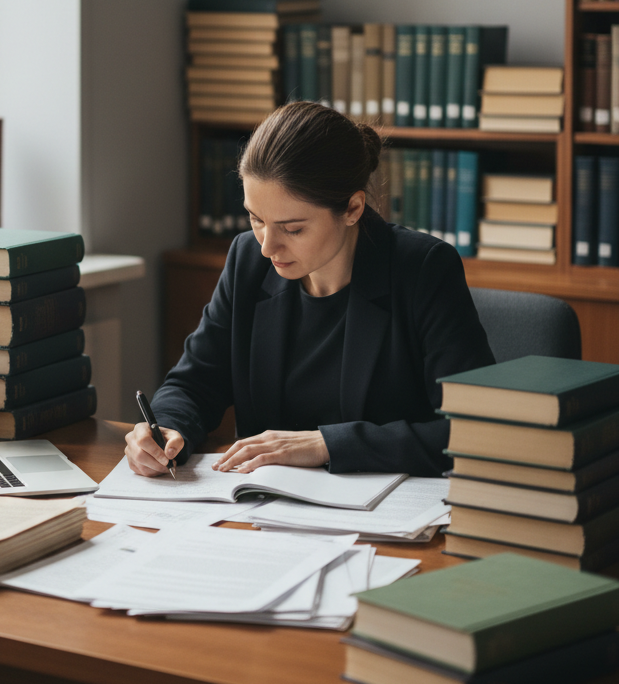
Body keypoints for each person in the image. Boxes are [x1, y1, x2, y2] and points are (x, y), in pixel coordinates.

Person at [125, 101, 495, 479]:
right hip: (262, 510)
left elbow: (474, 432)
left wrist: (325, 445)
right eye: (256, 219)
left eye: (293, 229)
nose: (267, 247)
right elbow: (194, 382)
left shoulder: (424, 270)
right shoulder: (247, 260)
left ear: (352, 208)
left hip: (385, 518)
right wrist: (169, 429)